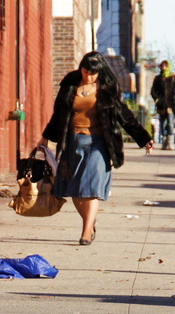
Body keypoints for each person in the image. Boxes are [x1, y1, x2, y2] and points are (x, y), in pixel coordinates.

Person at [39, 51, 153, 246]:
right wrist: (45, 138)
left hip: (99, 143)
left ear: (100, 72)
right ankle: (90, 222)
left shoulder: (107, 88)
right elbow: (59, 114)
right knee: (75, 190)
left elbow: (124, 115)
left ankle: (85, 233)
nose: (88, 76)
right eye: (85, 71)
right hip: (73, 142)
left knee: (91, 187)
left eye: (92, 73)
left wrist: (143, 138)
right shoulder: (70, 85)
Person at [150, 60, 175, 149]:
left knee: (170, 123)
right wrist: (157, 100)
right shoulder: (158, 78)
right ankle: (164, 142)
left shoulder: (173, 77)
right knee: (162, 123)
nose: (164, 68)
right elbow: (153, 90)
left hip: (170, 104)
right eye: (162, 66)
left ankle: (170, 142)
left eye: (165, 66)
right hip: (161, 105)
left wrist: (174, 100)